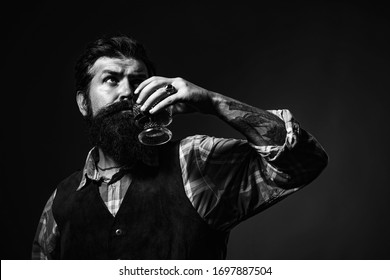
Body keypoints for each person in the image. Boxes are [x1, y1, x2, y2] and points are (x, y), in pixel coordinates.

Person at [32, 35, 328, 260]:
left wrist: (211, 102)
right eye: (111, 79)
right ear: (83, 103)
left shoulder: (194, 162)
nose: (126, 92)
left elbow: (303, 161)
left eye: (137, 81)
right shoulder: (60, 202)